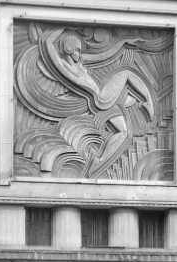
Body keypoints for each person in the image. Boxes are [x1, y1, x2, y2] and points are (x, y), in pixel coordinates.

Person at [44, 28, 155, 177]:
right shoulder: (65, 67)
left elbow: (104, 55)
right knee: (126, 74)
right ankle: (147, 101)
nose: (80, 54)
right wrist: (61, 25)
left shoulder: (80, 64)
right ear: (68, 49)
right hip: (99, 99)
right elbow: (48, 43)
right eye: (77, 50)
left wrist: (123, 42)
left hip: (103, 101)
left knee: (124, 132)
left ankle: (99, 161)